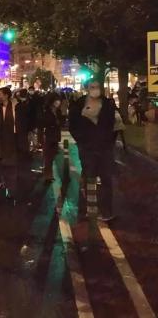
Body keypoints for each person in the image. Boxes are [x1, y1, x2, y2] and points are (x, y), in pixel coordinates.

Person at [69, 79, 116, 221]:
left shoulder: (108, 104)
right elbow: (73, 125)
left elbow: (113, 125)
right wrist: (82, 141)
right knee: (88, 177)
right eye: (92, 87)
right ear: (87, 88)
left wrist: (108, 141)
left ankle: (106, 211)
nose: (95, 89)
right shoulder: (79, 104)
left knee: (106, 179)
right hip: (87, 148)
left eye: (97, 87)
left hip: (104, 148)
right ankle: (86, 209)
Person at [0, 87, 31, 202]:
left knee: (12, 165)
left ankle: (11, 190)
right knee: (1, 164)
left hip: (14, 139)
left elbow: (26, 123)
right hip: (0, 141)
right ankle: (4, 183)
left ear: (6, 95)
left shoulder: (18, 107)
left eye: (0, 94)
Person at [42, 93, 63, 183]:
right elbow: (45, 122)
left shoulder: (58, 111)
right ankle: (47, 176)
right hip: (49, 136)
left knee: (52, 156)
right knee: (48, 157)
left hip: (55, 136)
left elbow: (61, 121)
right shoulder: (46, 111)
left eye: (59, 100)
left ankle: (49, 174)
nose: (58, 102)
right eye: (56, 100)